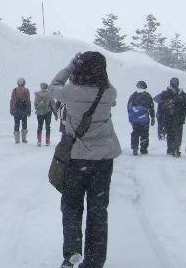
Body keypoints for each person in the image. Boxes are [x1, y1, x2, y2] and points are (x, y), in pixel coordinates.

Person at [49, 52, 121, 268]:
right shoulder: (109, 93)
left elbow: (53, 86)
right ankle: (95, 260)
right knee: (98, 210)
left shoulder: (70, 92)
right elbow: (105, 84)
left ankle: (72, 253)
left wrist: (71, 66)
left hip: (76, 159)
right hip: (102, 161)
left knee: (71, 207)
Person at [158, 77, 186, 157]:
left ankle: (171, 149)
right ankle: (175, 149)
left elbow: (160, 106)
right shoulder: (182, 93)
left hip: (169, 117)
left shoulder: (165, 93)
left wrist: (161, 117)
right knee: (177, 134)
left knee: (171, 133)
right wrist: (183, 115)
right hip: (177, 117)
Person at [127, 81, 155, 155]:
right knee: (145, 133)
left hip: (135, 119)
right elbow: (151, 107)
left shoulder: (133, 95)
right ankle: (143, 149)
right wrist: (152, 117)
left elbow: (129, 107)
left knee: (135, 132)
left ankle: (135, 148)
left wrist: (130, 117)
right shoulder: (147, 95)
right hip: (144, 119)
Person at [34, 82, 56, 146]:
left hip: (40, 112)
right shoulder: (49, 94)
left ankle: (39, 141)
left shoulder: (37, 94)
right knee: (47, 126)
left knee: (39, 126)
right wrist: (55, 113)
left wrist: (39, 108)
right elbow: (53, 104)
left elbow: (35, 104)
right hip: (48, 112)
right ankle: (47, 141)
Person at [10, 78, 31, 143]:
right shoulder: (26, 90)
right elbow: (28, 101)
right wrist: (29, 110)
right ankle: (24, 139)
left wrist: (12, 109)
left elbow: (12, 100)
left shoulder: (15, 90)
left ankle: (17, 140)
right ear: (24, 83)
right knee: (24, 124)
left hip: (16, 109)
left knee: (16, 124)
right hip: (24, 109)